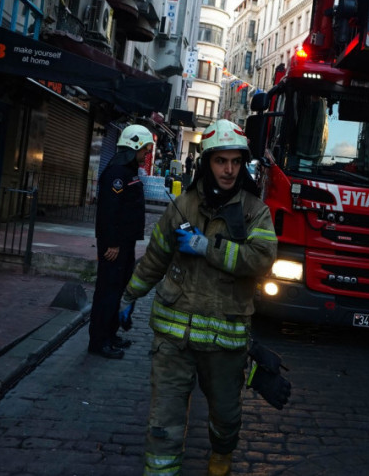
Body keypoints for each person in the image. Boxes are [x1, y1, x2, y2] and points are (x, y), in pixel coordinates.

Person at [119, 119, 278, 476]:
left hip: (225, 341)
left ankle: (221, 456)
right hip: (173, 339)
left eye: (236, 162)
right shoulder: (182, 208)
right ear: (207, 162)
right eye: (221, 161)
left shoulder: (255, 212)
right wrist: (128, 296)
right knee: (164, 426)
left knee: (226, 419)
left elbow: (263, 259)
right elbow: (156, 258)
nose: (229, 169)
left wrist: (209, 247)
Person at [87, 124, 154, 359]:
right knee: (108, 291)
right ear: (134, 146)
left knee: (118, 290)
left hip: (125, 244)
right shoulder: (117, 172)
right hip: (115, 245)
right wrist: (113, 243)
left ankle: (111, 334)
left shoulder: (128, 170)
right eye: (145, 150)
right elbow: (109, 211)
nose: (146, 155)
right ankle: (99, 341)